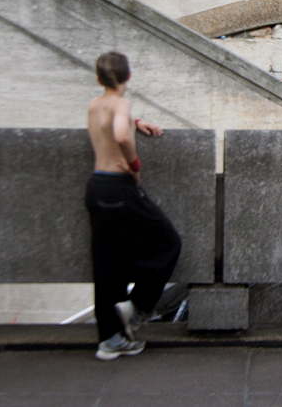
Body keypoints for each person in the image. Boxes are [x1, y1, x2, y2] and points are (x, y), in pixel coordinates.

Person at [85, 51, 180, 361]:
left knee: (107, 262)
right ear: (128, 77)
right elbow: (121, 135)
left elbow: (109, 123)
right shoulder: (122, 104)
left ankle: (110, 339)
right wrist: (135, 165)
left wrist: (137, 121)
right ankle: (137, 305)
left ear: (99, 79)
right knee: (168, 243)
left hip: (96, 187)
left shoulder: (95, 104)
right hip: (119, 188)